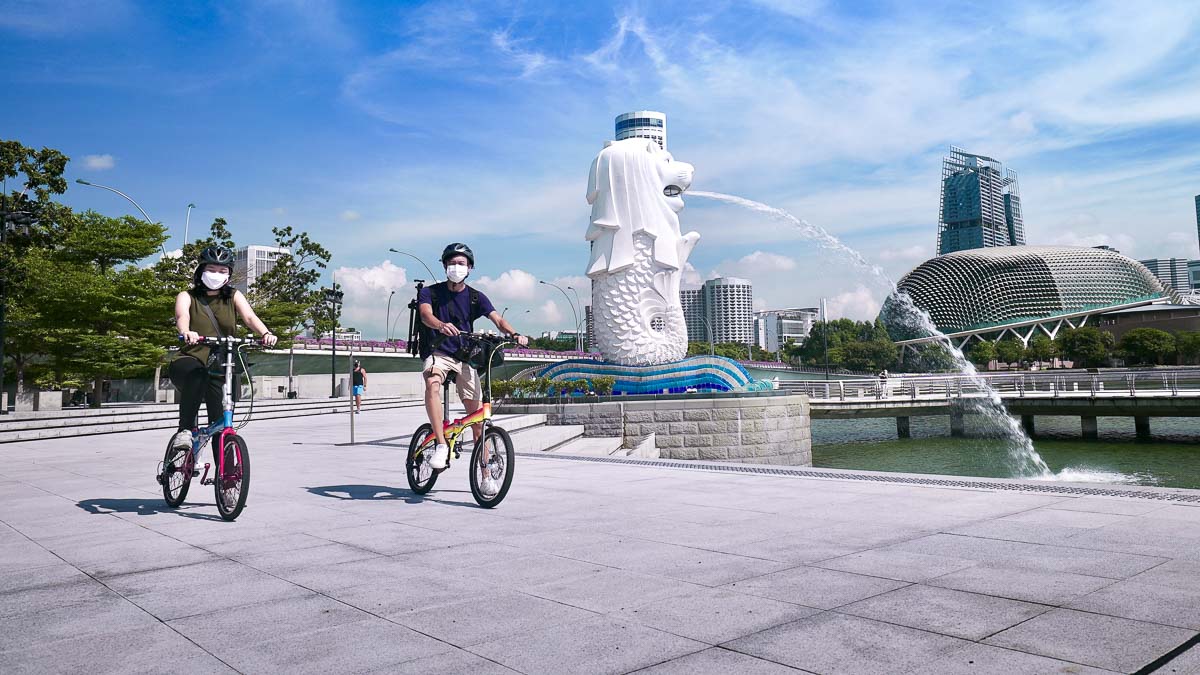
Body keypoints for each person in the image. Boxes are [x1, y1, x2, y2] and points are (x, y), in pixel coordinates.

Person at [418, 243, 528, 479]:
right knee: (432, 383)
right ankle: (440, 444)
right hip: (439, 352)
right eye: (452, 263)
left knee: (478, 419)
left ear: (470, 268)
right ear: (445, 265)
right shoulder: (431, 292)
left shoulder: (476, 297)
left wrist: (515, 334)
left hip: (464, 357)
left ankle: (485, 476)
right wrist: (440, 325)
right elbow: (426, 314)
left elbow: (497, 320)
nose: (456, 267)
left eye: (461, 263)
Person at [169, 246, 278, 453]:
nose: (216, 275)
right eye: (211, 269)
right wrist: (186, 332)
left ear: (229, 274)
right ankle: (184, 430)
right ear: (201, 270)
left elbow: (249, 317)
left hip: (222, 362)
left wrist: (265, 333)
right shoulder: (187, 296)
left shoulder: (233, 296)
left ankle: (226, 480)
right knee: (198, 375)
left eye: (222, 271)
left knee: (220, 421)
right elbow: (182, 316)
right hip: (191, 357)